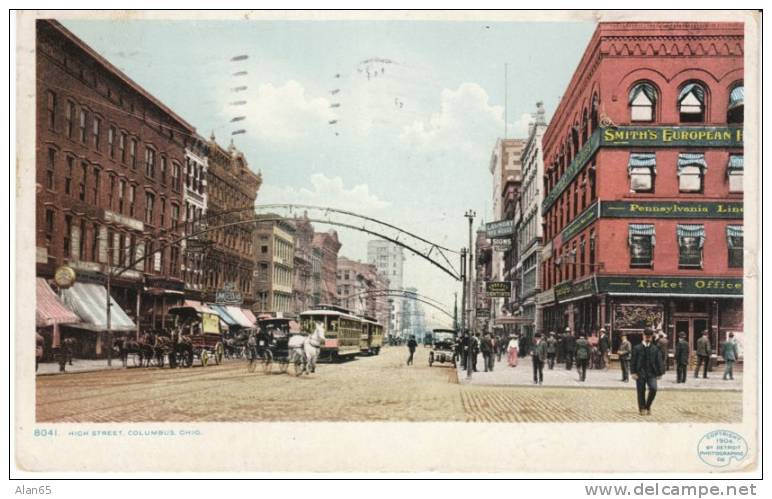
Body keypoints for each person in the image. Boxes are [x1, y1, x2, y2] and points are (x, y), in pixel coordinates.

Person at [631, 328, 665, 416]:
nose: (648, 338)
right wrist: (633, 372)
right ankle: (642, 408)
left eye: (649, 337)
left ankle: (648, 406)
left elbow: (659, 361)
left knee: (654, 388)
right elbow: (633, 361)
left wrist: (660, 373)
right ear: (643, 336)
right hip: (640, 372)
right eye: (646, 336)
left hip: (652, 373)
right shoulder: (636, 348)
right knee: (641, 391)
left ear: (652, 337)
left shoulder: (655, 348)